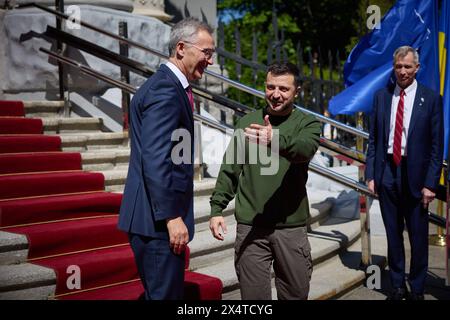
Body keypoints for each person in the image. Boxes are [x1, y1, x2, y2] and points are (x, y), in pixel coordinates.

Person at [118, 17, 214, 300]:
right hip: (157, 223)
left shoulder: (168, 85)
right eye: (206, 52)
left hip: (153, 219)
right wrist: (172, 216)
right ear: (182, 48)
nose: (209, 60)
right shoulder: (165, 90)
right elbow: (157, 159)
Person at [209, 62, 321, 300]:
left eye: (283, 88)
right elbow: (231, 168)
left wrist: (274, 138)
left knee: (295, 295)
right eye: (271, 87)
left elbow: (305, 149)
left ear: (296, 91)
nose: (276, 94)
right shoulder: (247, 122)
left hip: (291, 228)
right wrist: (217, 208)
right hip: (251, 227)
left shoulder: (307, 123)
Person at [365, 46, 443, 300]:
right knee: (392, 233)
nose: (402, 71)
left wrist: (431, 183)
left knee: (419, 237)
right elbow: (374, 139)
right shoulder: (381, 96)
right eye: (398, 66)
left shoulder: (431, 99)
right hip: (387, 170)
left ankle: (417, 287)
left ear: (417, 68)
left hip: (417, 176)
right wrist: (371, 175)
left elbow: (436, 145)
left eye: (407, 66)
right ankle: (397, 285)